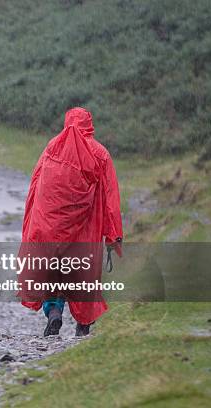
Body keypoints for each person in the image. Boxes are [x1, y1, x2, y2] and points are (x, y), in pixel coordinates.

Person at [18, 107, 123, 337]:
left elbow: (36, 186)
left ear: (67, 123)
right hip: (86, 228)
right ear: (90, 125)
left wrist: (31, 225)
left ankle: (54, 311)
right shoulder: (100, 153)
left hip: (50, 227)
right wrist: (114, 233)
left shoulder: (52, 146)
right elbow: (110, 196)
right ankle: (83, 324)